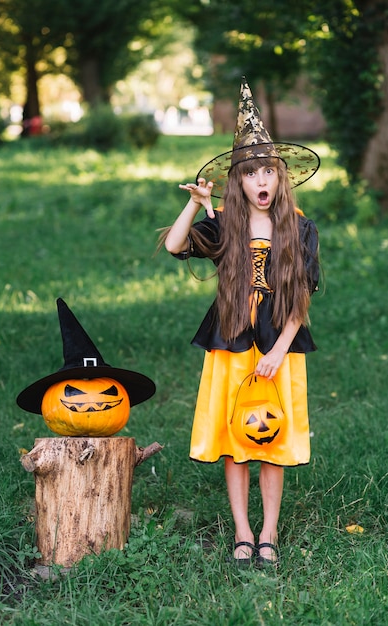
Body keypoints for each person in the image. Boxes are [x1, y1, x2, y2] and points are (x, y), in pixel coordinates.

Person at [160, 77, 320, 567]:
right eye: (250, 174)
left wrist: (277, 351)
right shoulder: (225, 223)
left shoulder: (300, 227)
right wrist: (194, 203)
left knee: (271, 435)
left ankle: (269, 532)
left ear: (281, 175)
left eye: (268, 172)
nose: (261, 182)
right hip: (229, 340)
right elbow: (173, 246)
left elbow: (300, 297)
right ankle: (243, 531)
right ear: (239, 181)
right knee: (237, 438)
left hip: (280, 347)